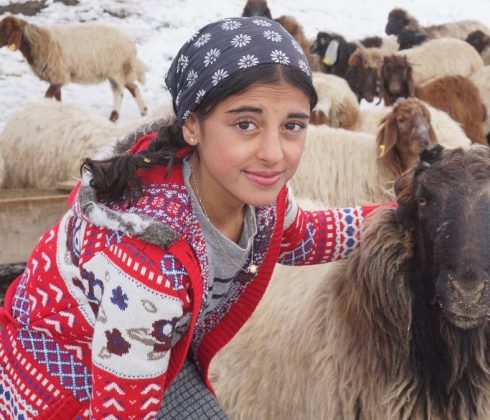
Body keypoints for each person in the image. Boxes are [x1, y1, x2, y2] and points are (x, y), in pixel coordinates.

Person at [0, 16, 386, 418]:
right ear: (192, 126)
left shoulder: (254, 196)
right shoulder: (148, 266)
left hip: (148, 349)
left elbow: (302, 235)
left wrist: (405, 215)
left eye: (292, 125)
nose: (274, 152)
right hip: (61, 390)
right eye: (245, 124)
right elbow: (122, 411)